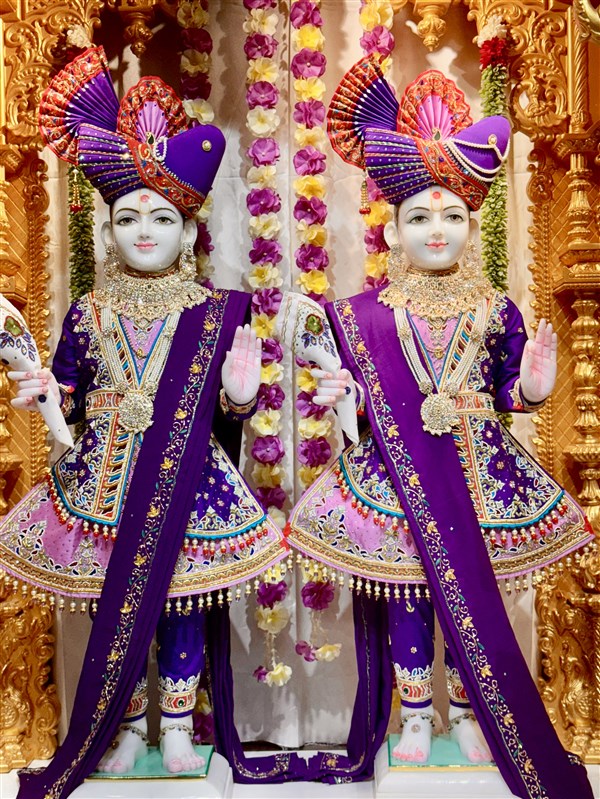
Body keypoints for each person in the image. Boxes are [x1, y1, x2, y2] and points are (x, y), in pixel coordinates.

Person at [286, 56, 595, 799]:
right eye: (419, 217)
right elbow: (358, 413)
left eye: (452, 215)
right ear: (392, 228)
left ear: (472, 225)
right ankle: (418, 714)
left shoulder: (496, 308)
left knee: (476, 590)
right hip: (393, 476)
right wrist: (341, 400)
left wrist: (532, 387)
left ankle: (475, 708)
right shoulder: (361, 316)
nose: (436, 229)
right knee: (408, 595)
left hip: (480, 473)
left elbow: (510, 391)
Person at [0, 46, 288, 798]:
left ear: (189, 231)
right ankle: (126, 726)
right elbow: (68, 391)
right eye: (128, 217)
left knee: (181, 601)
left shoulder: (216, 311)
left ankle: (180, 725)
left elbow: (229, 414)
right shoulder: (88, 311)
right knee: (115, 602)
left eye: (162, 217)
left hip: (188, 479)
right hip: (103, 478)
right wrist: (43, 393)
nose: (145, 231)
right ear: (107, 231)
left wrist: (240, 396)